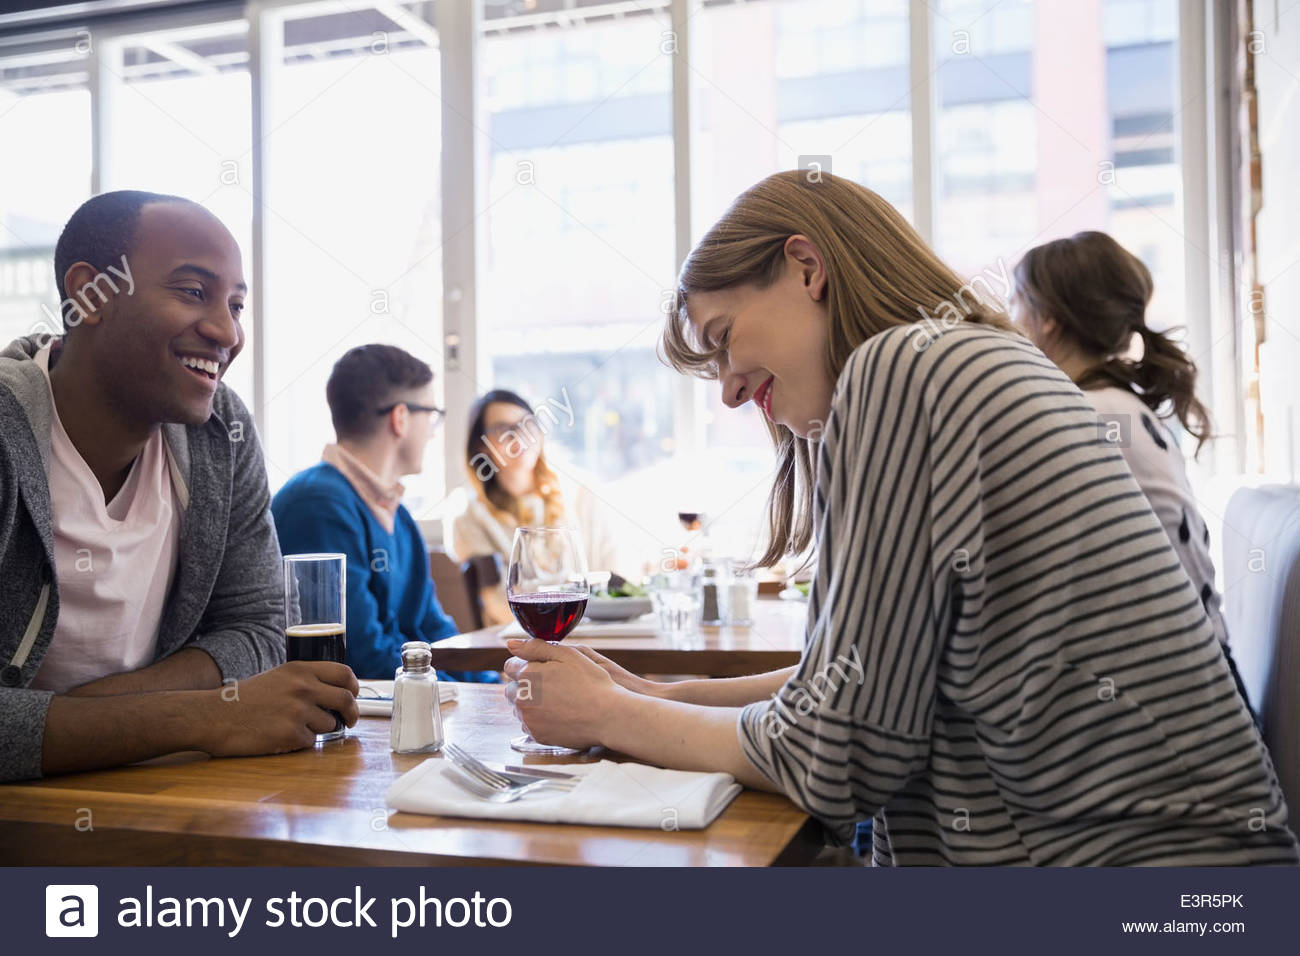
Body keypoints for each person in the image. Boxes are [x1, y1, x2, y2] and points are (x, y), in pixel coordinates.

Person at [500, 171, 1299, 865]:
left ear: (806, 266)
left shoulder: (902, 369)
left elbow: (840, 756)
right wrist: (654, 694)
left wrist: (611, 715)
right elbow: (858, 685)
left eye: (724, 338)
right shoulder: (959, 357)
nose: (732, 392)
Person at [0, 190, 358, 783]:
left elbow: (260, 625)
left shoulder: (225, 432)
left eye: (236, 305)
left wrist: (103, 714)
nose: (226, 331)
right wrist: (202, 718)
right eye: (193, 292)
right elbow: (223, 700)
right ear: (93, 293)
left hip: (151, 788)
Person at [1010, 232, 1226, 644]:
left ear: (1048, 317)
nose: (1009, 321)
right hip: (1203, 653)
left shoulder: (1092, 413)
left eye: (1014, 302)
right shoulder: (1119, 405)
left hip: (1184, 669)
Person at [272, 344, 489, 682]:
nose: (433, 432)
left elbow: (434, 632)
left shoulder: (398, 516)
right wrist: (471, 699)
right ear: (400, 418)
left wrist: (497, 690)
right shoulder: (317, 505)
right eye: (432, 416)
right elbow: (363, 657)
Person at [451, 389, 621, 626]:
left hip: (594, 635)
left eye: (527, 425)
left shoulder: (582, 496)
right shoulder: (469, 520)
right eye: (502, 429)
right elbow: (499, 606)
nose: (518, 437)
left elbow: (614, 580)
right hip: (515, 647)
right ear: (481, 447)